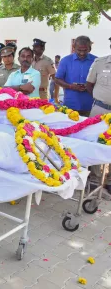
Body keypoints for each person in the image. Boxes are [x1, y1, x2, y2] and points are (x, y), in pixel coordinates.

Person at [86, 38, 111, 197]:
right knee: (95, 142)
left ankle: (109, 181)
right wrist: (100, 99)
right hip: (100, 110)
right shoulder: (100, 63)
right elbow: (89, 84)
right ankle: (94, 179)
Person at [55, 36, 97, 116]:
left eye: (85, 50)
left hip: (90, 106)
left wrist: (89, 86)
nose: (82, 53)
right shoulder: (65, 61)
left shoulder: (96, 61)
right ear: (74, 47)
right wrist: (71, 86)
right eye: (79, 50)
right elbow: (57, 79)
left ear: (90, 48)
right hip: (70, 105)